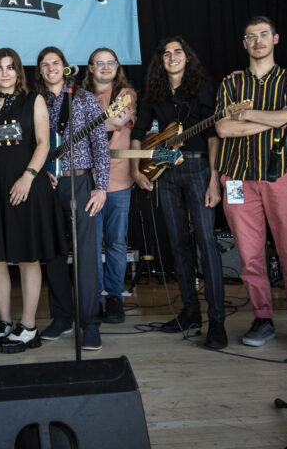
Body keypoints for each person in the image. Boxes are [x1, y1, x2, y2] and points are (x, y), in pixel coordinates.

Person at [215, 16, 287, 350]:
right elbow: (224, 129)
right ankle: (263, 318)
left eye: (263, 35)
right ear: (244, 44)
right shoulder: (230, 84)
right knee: (250, 257)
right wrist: (278, 118)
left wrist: (247, 114)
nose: (257, 41)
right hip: (237, 176)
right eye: (250, 37)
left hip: (283, 174)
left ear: (275, 38)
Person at [130, 37, 227, 349]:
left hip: (199, 169)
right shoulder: (154, 92)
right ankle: (190, 312)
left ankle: (218, 321)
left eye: (177, 52)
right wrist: (135, 169)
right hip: (166, 174)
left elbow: (213, 135)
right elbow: (138, 132)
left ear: (188, 56)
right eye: (166, 53)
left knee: (206, 243)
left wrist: (215, 178)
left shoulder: (204, 87)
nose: (172, 57)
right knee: (177, 243)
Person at [0, 48, 63, 355]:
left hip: (27, 183)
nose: (5, 72)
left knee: (28, 255)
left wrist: (28, 176)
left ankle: (28, 326)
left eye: (11, 67)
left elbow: (43, 143)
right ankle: (5, 322)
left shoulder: (34, 100)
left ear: (19, 71)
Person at [36, 47, 109, 351]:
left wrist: (101, 186)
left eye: (56, 63)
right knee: (53, 253)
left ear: (65, 67)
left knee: (86, 255)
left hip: (81, 182)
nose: (51, 67)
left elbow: (100, 143)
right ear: (39, 70)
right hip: (49, 185)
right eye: (45, 64)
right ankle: (62, 317)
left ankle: (90, 322)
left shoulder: (84, 99)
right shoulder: (37, 102)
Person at [82, 47, 136, 326]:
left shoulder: (125, 95)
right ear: (90, 68)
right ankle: (93, 296)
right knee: (90, 243)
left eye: (110, 62)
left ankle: (114, 296)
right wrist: (101, 120)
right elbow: (106, 122)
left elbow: (118, 121)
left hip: (118, 180)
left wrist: (88, 123)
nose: (105, 67)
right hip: (86, 179)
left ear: (117, 66)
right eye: (98, 63)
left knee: (115, 242)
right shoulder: (80, 96)